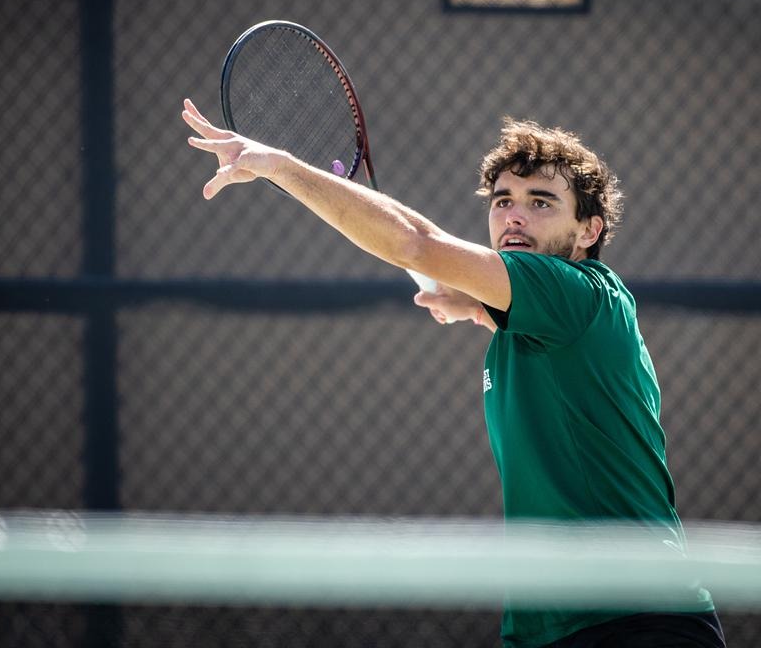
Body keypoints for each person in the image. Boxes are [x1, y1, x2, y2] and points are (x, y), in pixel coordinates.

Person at [183, 99, 725, 648]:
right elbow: (433, 245)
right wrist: (474, 304)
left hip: (639, 622)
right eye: (502, 200)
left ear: (588, 231)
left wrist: (277, 164)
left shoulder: (579, 294)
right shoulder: (547, 321)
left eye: (541, 202)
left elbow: (413, 244)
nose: (514, 215)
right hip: (545, 629)